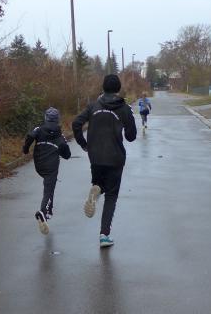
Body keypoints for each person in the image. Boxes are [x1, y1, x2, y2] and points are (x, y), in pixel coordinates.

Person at [72, 74, 137, 248]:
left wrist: (84, 144)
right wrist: (125, 124)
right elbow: (131, 136)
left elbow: (76, 123)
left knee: (99, 183)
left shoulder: (93, 106)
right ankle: (104, 235)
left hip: (95, 155)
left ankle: (96, 189)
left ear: (103, 87)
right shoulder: (124, 108)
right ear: (118, 89)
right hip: (115, 157)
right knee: (111, 196)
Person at [22, 107, 71, 234]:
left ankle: (49, 211)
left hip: (39, 165)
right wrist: (60, 149)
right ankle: (43, 212)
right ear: (57, 120)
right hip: (51, 166)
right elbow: (67, 154)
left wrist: (25, 149)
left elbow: (30, 136)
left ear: (45, 118)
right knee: (49, 189)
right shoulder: (60, 136)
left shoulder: (38, 129)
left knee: (49, 185)